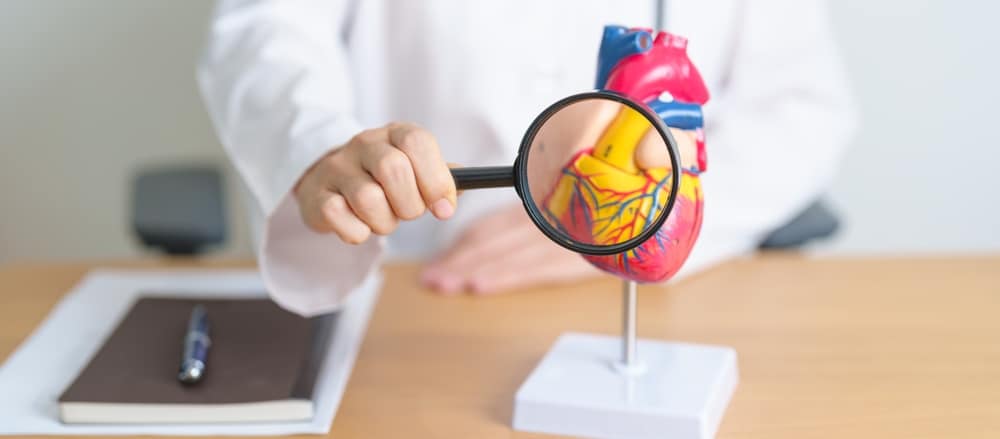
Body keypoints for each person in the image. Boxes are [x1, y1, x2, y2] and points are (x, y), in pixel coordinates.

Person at [197, 0, 856, 316]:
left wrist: (628, 220)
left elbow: (801, 105)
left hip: (664, 301)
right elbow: (266, 30)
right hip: (417, 285)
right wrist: (318, 147)